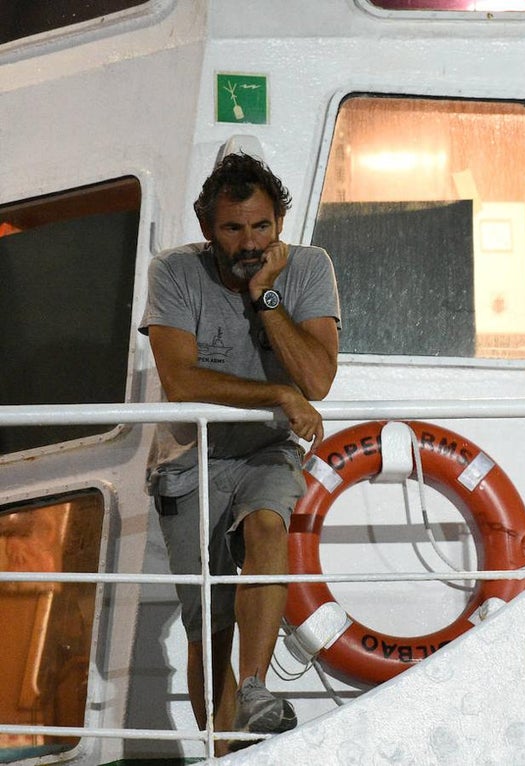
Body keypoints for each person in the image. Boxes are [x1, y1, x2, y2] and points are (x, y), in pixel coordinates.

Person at [139, 152, 340, 752]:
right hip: (189, 458)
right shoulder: (173, 273)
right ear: (208, 229)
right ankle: (222, 752)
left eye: (261, 226)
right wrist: (277, 390)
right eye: (233, 228)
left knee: (268, 525)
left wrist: (267, 297)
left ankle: (257, 688)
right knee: (210, 630)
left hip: (265, 450)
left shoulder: (307, 268)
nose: (249, 241)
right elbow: (181, 380)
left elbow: (319, 380)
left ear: (278, 223)